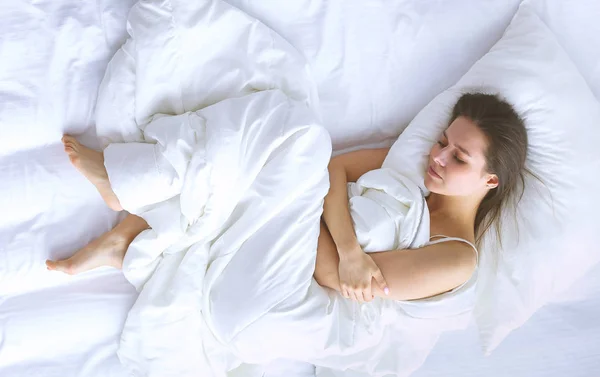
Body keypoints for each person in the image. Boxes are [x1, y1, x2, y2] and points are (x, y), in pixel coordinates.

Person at [47, 92, 528, 305]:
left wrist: (337, 234)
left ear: (491, 182)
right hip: (313, 226)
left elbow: (336, 276)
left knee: (287, 125)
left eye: (459, 157)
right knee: (277, 135)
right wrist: (350, 245)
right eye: (442, 141)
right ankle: (126, 233)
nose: (438, 157)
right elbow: (335, 169)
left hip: (300, 266)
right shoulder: (413, 173)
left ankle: (130, 184)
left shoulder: (456, 259)